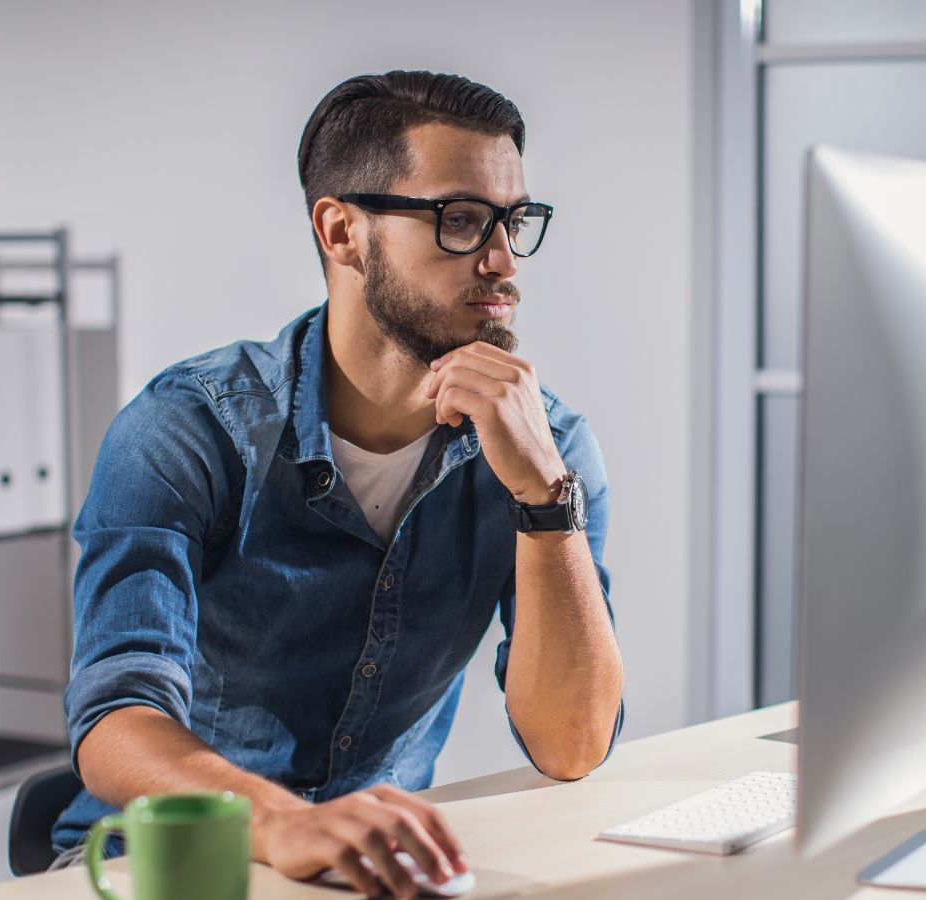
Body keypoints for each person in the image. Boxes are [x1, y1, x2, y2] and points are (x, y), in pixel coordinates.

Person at [50, 70, 625, 898]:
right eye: (460, 221)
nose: (503, 262)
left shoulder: (549, 449)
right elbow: (114, 722)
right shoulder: (186, 430)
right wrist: (284, 824)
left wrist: (544, 498)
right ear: (342, 231)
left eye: (514, 221)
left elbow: (572, 745)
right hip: (164, 867)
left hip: (374, 871)